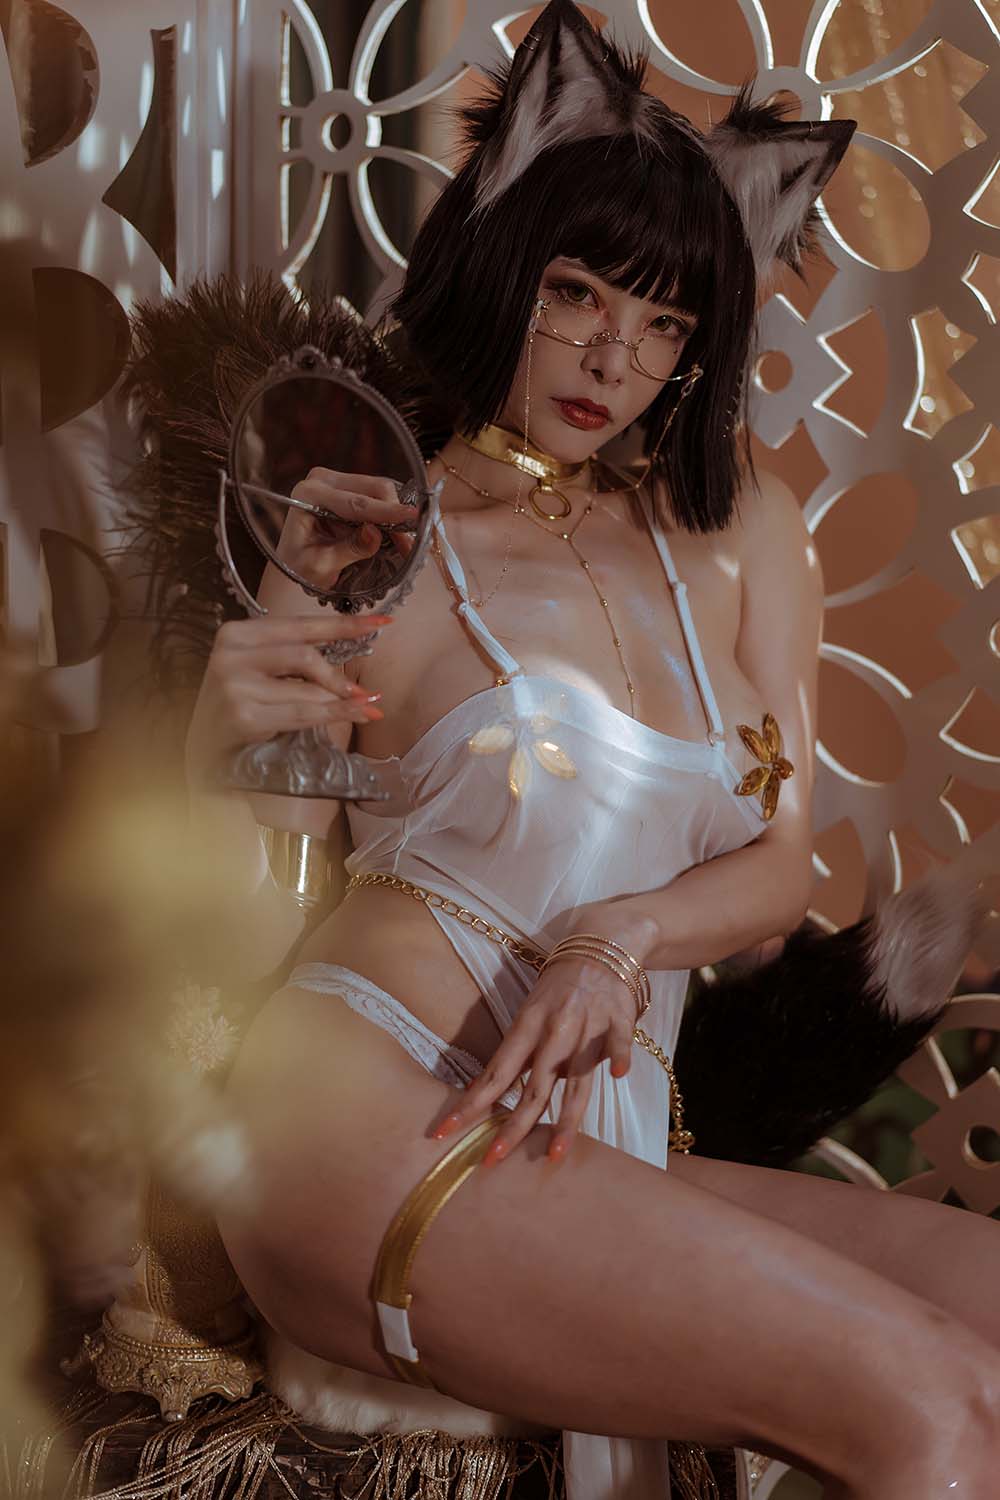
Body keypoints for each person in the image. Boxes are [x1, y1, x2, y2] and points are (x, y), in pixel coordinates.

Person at [181, 3, 1000, 1494]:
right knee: (927, 1404)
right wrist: (214, 752)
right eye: (576, 293)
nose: (614, 355)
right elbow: (237, 927)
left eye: (666, 323)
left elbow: (781, 866)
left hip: (589, 1142)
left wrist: (619, 941)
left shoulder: (740, 536)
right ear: (504, 267)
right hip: (359, 1108)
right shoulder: (369, 531)